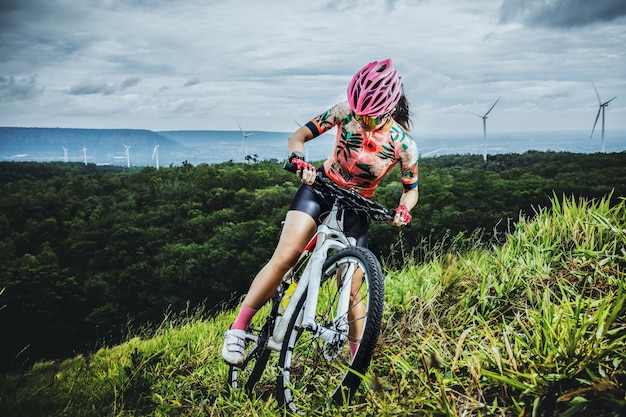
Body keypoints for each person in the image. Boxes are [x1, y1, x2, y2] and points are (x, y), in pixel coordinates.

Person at [222, 59, 419, 365]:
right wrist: (299, 161)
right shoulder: (343, 111)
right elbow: (297, 137)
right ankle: (238, 329)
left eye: (371, 116)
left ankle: (357, 362)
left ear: (390, 108)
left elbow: (411, 190)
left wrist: (403, 211)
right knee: (286, 255)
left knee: (352, 290)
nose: (363, 120)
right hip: (320, 188)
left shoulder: (404, 145)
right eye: (360, 113)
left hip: (358, 205)